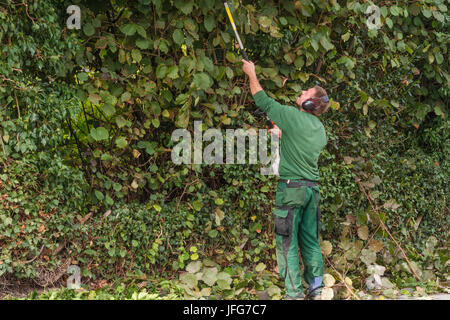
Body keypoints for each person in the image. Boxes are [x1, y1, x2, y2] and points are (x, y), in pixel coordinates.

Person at [242, 59, 330, 300]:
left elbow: (262, 99)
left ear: (309, 102)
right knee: (311, 241)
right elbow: (297, 140)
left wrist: (251, 73)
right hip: (312, 191)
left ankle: (294, 295)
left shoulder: (291, 115)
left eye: (305, 93)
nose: (301, 93)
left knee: (287, 243)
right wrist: (281, 133)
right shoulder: (320, 130)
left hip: (291, 190)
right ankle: (317, 289)